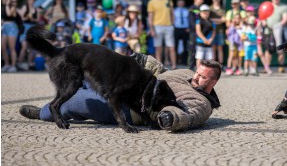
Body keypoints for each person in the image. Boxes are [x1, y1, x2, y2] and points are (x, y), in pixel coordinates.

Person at [19, 55, 222, 132]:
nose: (195, 77)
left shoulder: (201, 102)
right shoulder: (186, 74)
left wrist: (172, 118)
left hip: (131, 110)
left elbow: (190, 115)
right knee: (84, 78)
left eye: (202, 77)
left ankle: (43, 113)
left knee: (78, 103)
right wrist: (146, 61)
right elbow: (163, 73)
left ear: (212, 82)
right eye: (197, 72)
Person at [147, 0, 176, 69]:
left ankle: (174, 66)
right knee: (158, 48)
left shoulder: (168, 0)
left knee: (172, 47)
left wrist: (172, 24)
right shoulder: (151, 2)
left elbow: (172, 13)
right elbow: (150, 17)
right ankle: (159, 66)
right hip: (157, 26)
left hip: (168, 26)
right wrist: (151, 29)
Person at [264, 0, 287, 73]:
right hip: (268, 31)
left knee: (280, 49)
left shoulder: (284, 7)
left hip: (279, 31)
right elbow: (263, 16)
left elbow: (285, 19)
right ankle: (267, 67)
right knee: (268, 50)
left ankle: (281, 66)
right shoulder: (267, 5)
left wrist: (278, 25)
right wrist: (264, 22)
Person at [17, 0, 38, 71]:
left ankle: (30, 63)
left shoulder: (36, 9)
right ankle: (19, 63)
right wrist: (27, 17)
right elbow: (21, 18)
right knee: (24, 46)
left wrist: (32, 18)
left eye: (32, 0)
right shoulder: (25, 8)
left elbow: (37, 19)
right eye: (30, 0)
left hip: (33, 28)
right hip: (25, 28)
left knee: (32, 48)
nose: (31, 2)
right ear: (27, 1)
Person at [1, 0, 21, 72]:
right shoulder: (4, 8)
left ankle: (13, 66)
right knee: (3, 47)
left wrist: (6, 5)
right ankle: (6, 64)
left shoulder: (13, 7)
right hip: (4, 28)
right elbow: (5, 17)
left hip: (12, 28)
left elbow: (9, 14)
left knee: (11, 48)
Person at [188, 0, 205, 70]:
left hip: (201, 33)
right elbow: (191, 22)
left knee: (200, 50)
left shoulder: (202, 8)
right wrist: (196, 30)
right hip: (194, 33)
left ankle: (200, 67)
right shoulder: (192, 8)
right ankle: (190, 68)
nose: (202, 0)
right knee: (192, 50)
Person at [209, 0, 226, 66]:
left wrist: (214, 20)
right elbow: (208, 19)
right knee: (213, 48)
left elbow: (224, 20)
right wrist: (218, 20)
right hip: (212, 32)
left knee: (220, 48)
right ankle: (213, 65)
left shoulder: (222, 9)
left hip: (220, 31)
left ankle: (220, 64)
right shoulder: (210, 8)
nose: (216, 0)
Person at [173, 0, 190, 65]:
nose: (181, 4)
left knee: (185, 46)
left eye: (182, 3)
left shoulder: (187, 10)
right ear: (177, 3)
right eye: (180, 3)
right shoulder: (174, 10)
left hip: (185, 29)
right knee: (175, 45)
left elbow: (189, 19)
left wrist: (189, 27)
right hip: (177, 28)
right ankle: (176, 61)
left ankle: (184, 61)